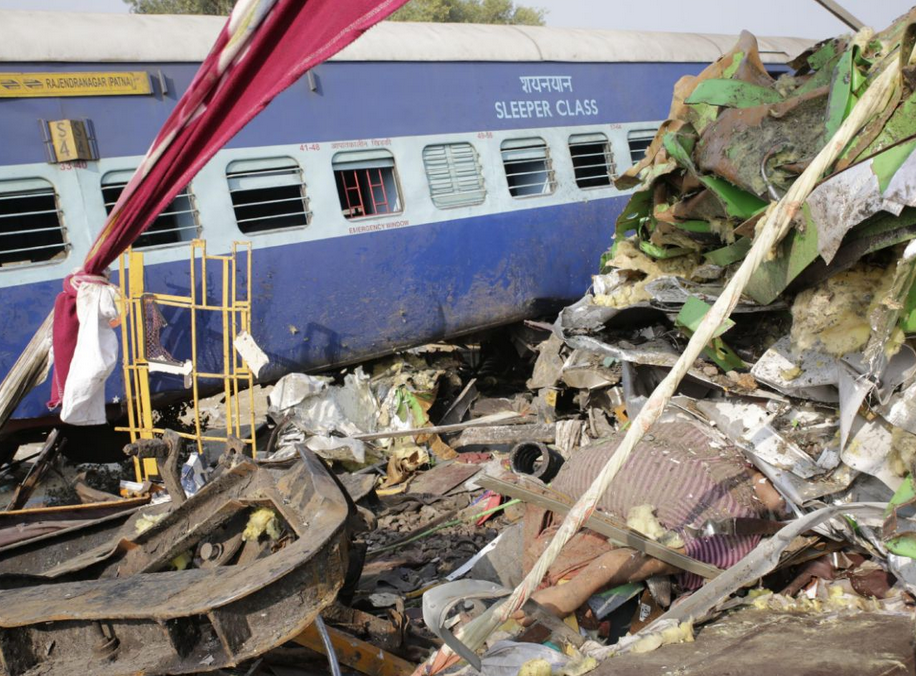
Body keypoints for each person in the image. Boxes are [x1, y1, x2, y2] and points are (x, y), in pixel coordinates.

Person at [518, 417, 786, 620]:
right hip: (589, 486)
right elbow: (655, 556)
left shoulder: (704, 444)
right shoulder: (729, 521)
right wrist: (572, 592)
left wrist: (571, 593)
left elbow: (656, 555)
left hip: (581, 474)